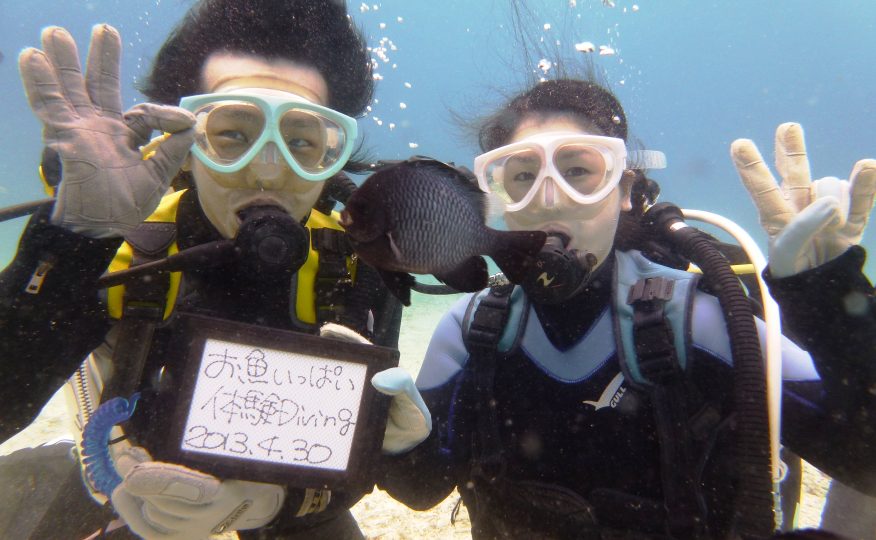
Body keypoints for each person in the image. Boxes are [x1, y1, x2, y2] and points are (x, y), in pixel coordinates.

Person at [0, 0, 430, 538]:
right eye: (232, 135)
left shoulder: (356, 264)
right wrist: (72, 243)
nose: (268, 172)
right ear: (186, 145)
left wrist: (278, 506)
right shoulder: (129, 246)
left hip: (288, 499)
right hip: (132, 481)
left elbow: (353, 461)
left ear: (331, 156)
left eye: (301, 142)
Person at [379, 78, 876, 538]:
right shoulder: (473, 331)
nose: (550, 198)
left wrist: (825, 298)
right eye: (523, 176)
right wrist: (401, 442)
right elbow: (423, 489)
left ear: (624, 191)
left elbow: (864, 459)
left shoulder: (696, 323)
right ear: (498, 198)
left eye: (579, 172)